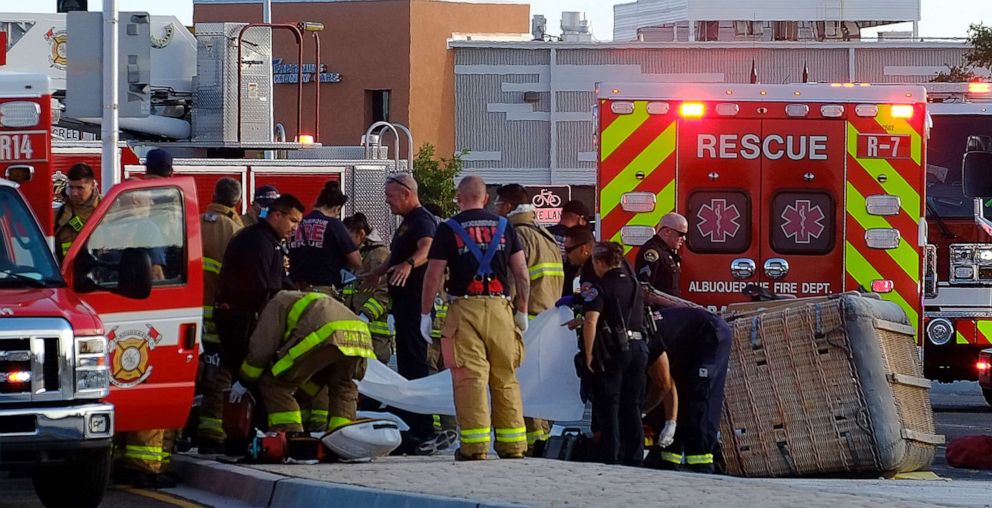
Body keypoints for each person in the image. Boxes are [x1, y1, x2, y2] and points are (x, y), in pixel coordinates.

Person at [422, 176, 531, 460]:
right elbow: (521, 273)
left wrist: (425, 314)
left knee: (470, 379)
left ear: (459, 198)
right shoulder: (505, 227)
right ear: (485, 198)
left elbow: (433, 274)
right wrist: (522, 310)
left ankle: (474, 447)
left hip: (464, 310)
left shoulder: (448, 229)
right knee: (505, 377)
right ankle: (513, 446)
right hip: (501, 310)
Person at [230, 291, 375, 434]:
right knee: (342, 386)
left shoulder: (276, 302)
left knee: (276, 384)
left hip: (326, 335)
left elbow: (262, 348)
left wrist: (244, 381)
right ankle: (345, 438)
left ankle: (291, 436)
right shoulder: (303, 297)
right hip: (359, 336)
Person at [364, 173, 437, 451]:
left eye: (391, 196)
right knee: (406, 364)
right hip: (403, 305)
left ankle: (423, 428)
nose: (387, 201)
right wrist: (377, 272)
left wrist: (409, 264)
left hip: (415, 304)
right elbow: (395, 257)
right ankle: (411, 421)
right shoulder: (406, 224)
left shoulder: (422, 220)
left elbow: (427, 249)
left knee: (415, 365)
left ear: (407, 194)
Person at [494, 184, 565, 452]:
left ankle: (531, 444)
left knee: (522, 387)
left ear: (509, 207)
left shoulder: (518, 235)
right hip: (546, 322)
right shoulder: (544, 234)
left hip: (526, 322)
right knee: (538, 385)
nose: (495, 209)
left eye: (498, 204)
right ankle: (540, 440)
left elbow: (513, 281)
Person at [215, 194, 304, 379]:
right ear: (277, 215)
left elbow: (280, 281)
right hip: (242, 322)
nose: (295, 228)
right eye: (293, 221)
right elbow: (260, 288)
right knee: (244, 378)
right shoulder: (257, 241)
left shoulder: (270, 241)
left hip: (251, 320)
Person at [580, 241, 649, 466]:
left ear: (600, 262)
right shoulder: (634, 284)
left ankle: (612, 454)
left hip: (615, 351)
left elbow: (591, 320)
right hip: (639, 348)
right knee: (633, 404)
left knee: (610, 403)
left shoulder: (600, 287)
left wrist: (589, 354)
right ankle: (635, 455)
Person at [642, 306, 731, 473]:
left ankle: (701, 460)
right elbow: (670, 384)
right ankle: (668, 456)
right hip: (688, 343)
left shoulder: (647, 340)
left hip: (710, 334)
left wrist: (645, 410)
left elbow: (665, 386)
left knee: (699, 395)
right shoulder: (642, 336)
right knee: (681, 391)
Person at [196, 177, 245, 454]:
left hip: (188, 313)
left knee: (190, 373)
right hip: (218, 314)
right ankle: (211, 433)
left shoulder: (193, 222)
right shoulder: (235, 229)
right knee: (218, 374)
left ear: (213, 194)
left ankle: (177, 433)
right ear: (236, 201)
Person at [287, 180, 361, 295]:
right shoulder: (334, 225)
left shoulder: (296, 225)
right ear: (336, 208)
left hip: (294, 291)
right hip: (322, 292)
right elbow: (356, 261)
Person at [342, 213, 394, 363]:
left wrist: (365, 316)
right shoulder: (352, 255)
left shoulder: (379, 254)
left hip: (374, 335)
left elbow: (383, 293)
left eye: (348, 237)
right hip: (352, 331)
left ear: (361, 233)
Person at [54, 162, 101, 263]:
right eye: (71, 187)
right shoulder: (60, 214)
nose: (74, 193)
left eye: (80, 188)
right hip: (69, 272)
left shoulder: (108, 209)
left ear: (92, 185)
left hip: (103, 273)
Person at [635, 213, 688, 298]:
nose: (684, 239)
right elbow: (645, 288)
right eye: (681, 234)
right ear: (667, 232)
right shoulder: (652, 253)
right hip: (660, 309)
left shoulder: (666, 252)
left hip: (669, 308)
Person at [548, 200, 591, 297]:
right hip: (564, 293)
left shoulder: (545, 234)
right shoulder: (576, 239)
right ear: (581, 219)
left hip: (543, 293)